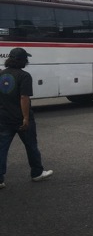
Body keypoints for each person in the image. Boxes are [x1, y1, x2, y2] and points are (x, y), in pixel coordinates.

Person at [0, 48, 53, 189]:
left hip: (3, 118)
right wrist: (25, 118)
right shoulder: (24, 76)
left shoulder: (1, 74)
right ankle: (37, 173)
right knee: (31, 146)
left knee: (2, 148)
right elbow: (24, 97)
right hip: (19, 119)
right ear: (23, 60)